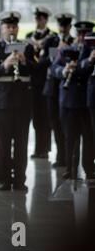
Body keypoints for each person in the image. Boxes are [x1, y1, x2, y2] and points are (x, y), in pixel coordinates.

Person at [0, 11, 36, 191]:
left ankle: (20, 180)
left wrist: (23, 62)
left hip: (22, 101)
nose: (12, 30)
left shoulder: (27, 47)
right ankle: (5, 179)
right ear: (2, 29)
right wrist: (4, 65)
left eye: (14, 26)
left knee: (22, 143)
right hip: (2, 102)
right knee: (3, 143)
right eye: (8, 27)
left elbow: (36, 71)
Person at [51, 21, 95, 180]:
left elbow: (88, 70)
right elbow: (54, 69)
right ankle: (70, 168)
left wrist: (86, 62)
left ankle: (89, 168)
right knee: (69, 137)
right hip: (68, 101)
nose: (83, 37)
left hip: (85, 101)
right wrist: (64, 70)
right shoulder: (67, 49)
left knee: (89, 137)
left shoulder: (93, 51)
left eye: (87, 34)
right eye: (80, 33)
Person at [41, 13, 75, 168]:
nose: (63, 29)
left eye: (65, 26)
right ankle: (60, 155)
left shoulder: (74, 42)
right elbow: (42, 62)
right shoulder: (51, 41)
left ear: (69, 27)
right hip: (51, 88)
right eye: (61, 26)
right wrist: (55, 55)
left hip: (65, 88)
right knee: (54, 122)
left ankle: (68, 157)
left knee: (66, 125)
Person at [26, 6, 55, 159]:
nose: (38, 21)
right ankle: (38, 148)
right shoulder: (29, 36)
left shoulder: (53, 38)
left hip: (45, 81)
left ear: (46, 19)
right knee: (36, 117)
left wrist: (37, 63)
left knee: (46, 117)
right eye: (36, 18)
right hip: (33, 82)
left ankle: (45, 148)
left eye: (41, 18)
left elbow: (52, 60)